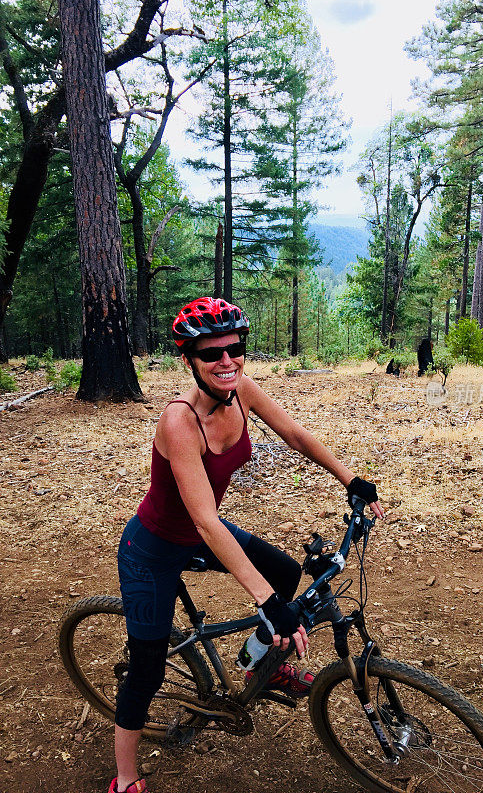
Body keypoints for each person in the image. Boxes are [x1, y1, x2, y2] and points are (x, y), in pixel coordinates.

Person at [108, 297, 384, 793]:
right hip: (152, 549)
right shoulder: (179, 421)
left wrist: (350, 479)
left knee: (284, 573)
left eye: (234, 349)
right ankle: (124, 777)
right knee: (146, 670)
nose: (226, 361)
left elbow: (295, 434)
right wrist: (267, 603)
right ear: (188, 360)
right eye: (211, 353)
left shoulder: (242, 392)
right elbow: (208, 521)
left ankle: (259, 666)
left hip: (199, 530)